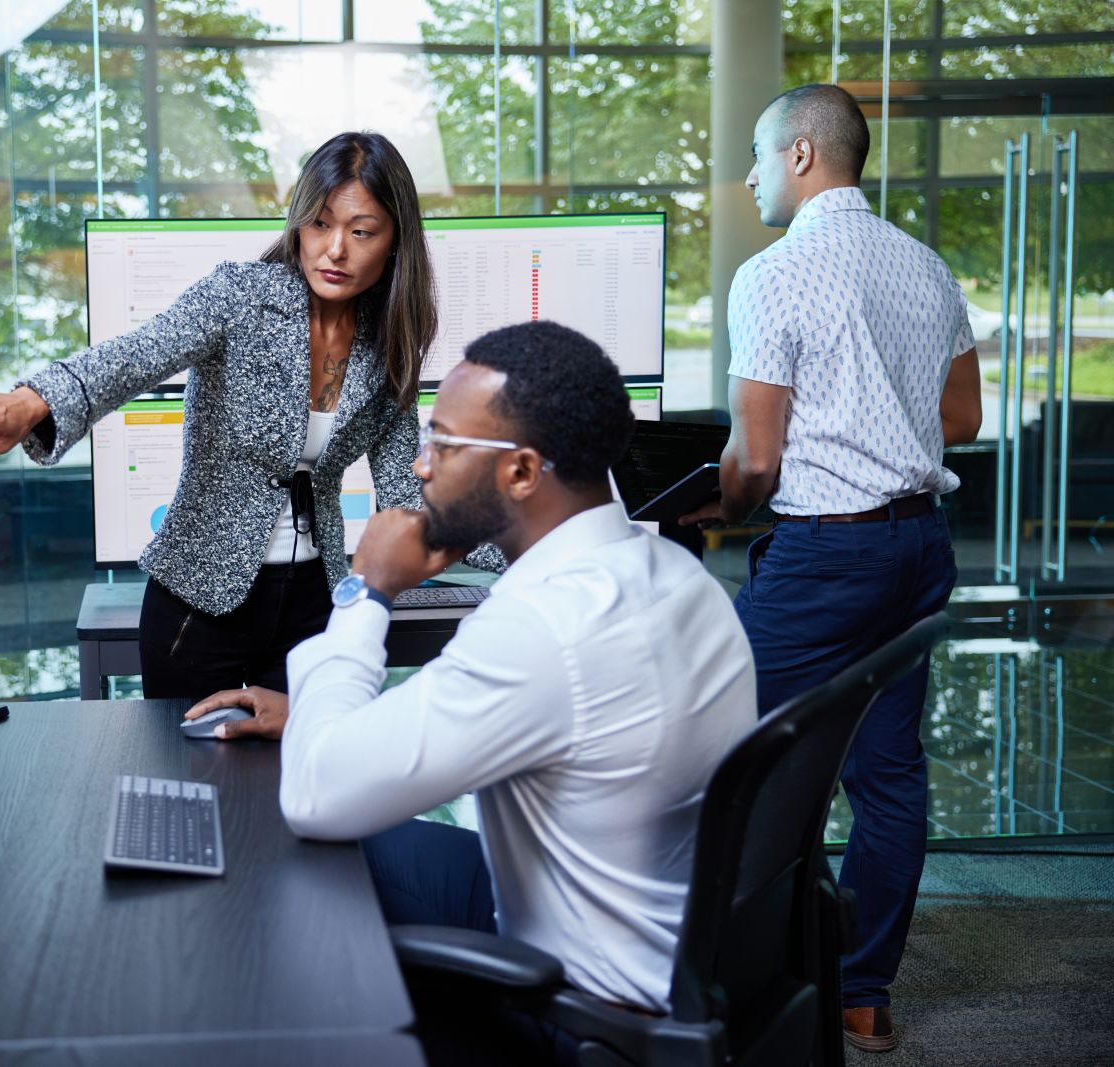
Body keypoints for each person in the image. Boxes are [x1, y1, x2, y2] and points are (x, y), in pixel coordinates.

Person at [261, 322, 755, 1044]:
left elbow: (314, 795)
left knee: (294, 860)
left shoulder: (545, 626)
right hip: (653, 944)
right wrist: (320, 711)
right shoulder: (675, 576)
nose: (422, 467)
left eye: (444, 443)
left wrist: (367, 591)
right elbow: (528, 714)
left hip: (582, 1009)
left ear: (522, 472)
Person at [679, 84, 982, 1053]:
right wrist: (875, 431)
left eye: (760, 158)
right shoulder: (925, 267)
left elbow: (755, 461)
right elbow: (961, 420)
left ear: (803, 157)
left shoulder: (775, 273)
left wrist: (707, 509)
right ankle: (861, 990)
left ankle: (724, 976)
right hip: (916, 544)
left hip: (825, 554)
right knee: (887, 772)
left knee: (740, 757)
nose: (750, 177)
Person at [0, 132, 449, 699]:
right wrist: (29, 401)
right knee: (184, 777)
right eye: (318, 223)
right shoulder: (238, 297)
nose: (334, 249)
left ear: (394, 241)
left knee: (295, 776)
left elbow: (409, 493)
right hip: (199, 600)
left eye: (361, 232)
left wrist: (528, 533)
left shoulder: (390, 346)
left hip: (314, 599)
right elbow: (135, 356)